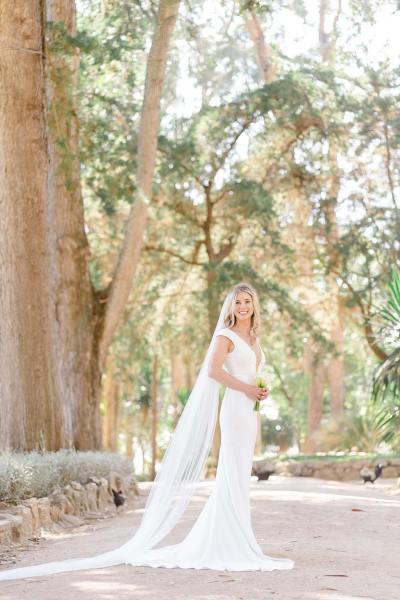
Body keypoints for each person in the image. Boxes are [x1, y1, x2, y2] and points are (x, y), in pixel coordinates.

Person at [0, 282, 294, 580]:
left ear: (254, 305)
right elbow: (213, 371)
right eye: (238, 302)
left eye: (247, 302)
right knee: (230, 473)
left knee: (241, 473)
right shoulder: (225, 336)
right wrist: (245, 387)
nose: (243, 307)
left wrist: (259, 389)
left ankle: (241, 537)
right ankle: (229, 541)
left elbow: (253, 372)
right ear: (231, 307)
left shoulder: (254, 337)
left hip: (250, 412)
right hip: (234, 409)